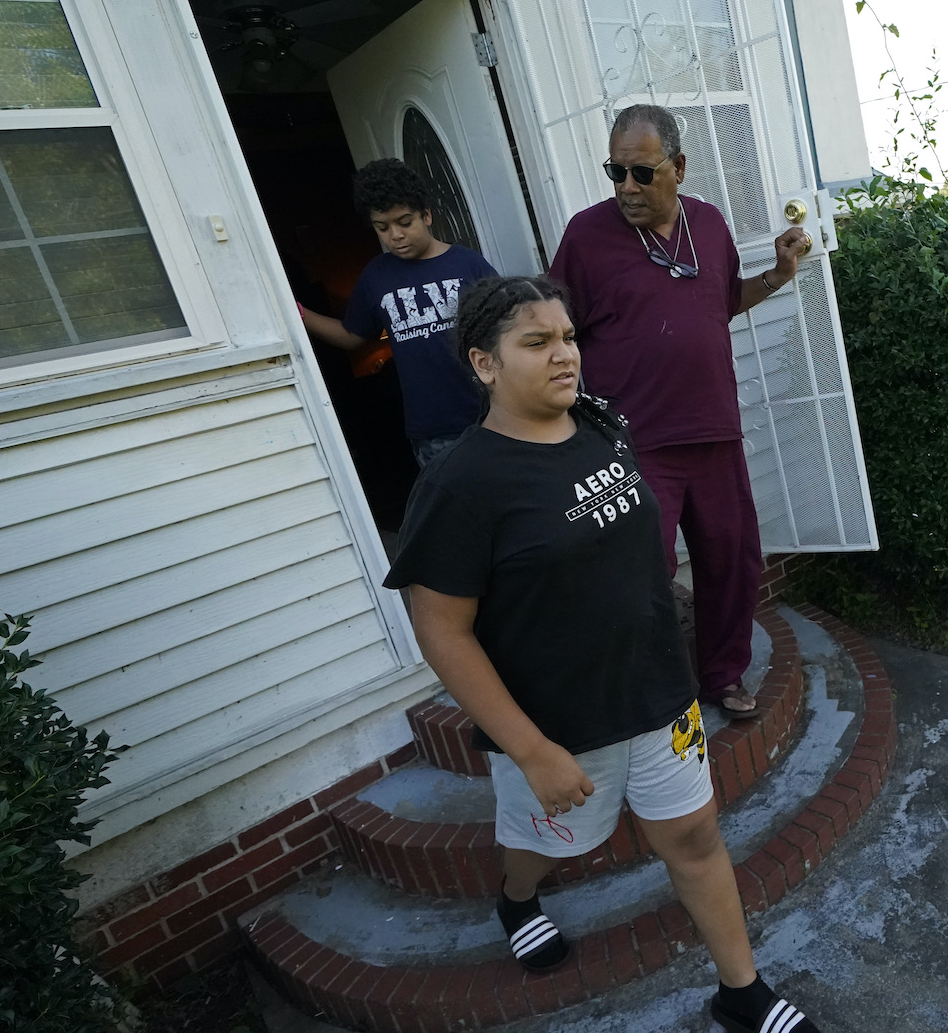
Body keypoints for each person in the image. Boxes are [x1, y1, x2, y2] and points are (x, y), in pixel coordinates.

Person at [382, 276, 820, 1033]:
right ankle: (517, 896)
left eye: (569, 337)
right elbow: (441, 630)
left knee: (693, 835)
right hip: (556, 727)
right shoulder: (461, 484)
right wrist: (530, 749)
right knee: (547, 846)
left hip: (660, 695)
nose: (564, 356)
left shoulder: (600, 424)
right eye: (538, 342)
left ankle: (742, 991)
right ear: (485, 364)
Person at [549, 104, 810, 719]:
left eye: (642, 173)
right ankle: (657, 691)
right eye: (616, 172)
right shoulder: (586, 237)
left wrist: (778, 274)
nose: (627, 188)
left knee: (733, 562)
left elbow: (721, 305)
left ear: (679, 167)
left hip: (715, 432)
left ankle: (723, 675)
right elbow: (559, 329)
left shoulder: (710, 225)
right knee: (643, 576)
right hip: (637, 444)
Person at [298, 158, 496, 467]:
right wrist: (299, 314)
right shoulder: (376, 276)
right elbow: (352, 336)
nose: (395, 235)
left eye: (405, 222)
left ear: (426, 215)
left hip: (492, 416)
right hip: (433, 431)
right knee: (458, 513)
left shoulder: (468, 265)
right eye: (383, 227)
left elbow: (506, 331)